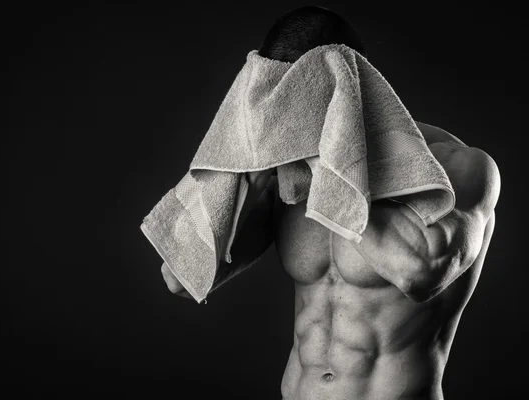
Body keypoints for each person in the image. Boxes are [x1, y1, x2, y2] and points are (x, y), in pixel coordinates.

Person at [161, 6, 501, 400]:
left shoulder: (458, 167)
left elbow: (420, 272)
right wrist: (241, 174)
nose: (282, 124)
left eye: (293, 106)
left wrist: (327, 149)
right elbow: (180, 279)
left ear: (350, 86)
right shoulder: (289, 179)